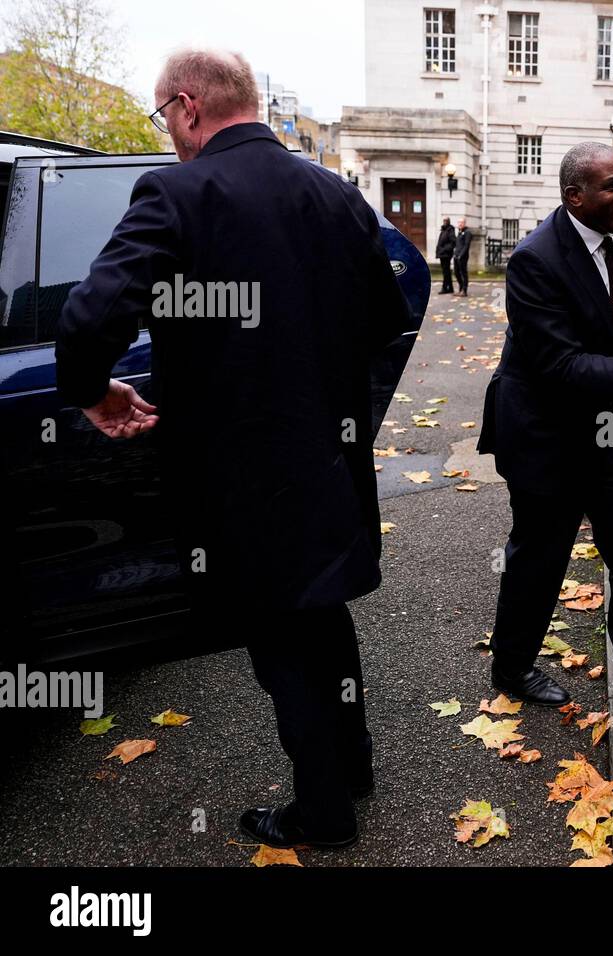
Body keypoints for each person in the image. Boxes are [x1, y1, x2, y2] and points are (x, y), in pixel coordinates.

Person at [55, 49, 411, 848]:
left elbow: (87, 321)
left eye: (161, 115)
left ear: (186, 105)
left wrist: (93, 390)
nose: (167, 132)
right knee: (322, 621)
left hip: (242, 478)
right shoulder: (338, 195)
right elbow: (387, 319)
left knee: (284, 646)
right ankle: (349, 765)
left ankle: (323, 814)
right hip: (328, 460)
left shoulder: (177, 193)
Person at [477, 142, 613, 711]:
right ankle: (512, 667)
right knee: (540, 557)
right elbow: (562, 365)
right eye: (612, 185)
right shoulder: (534, 259)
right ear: (575, 196)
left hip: (612, 431)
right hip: (547, 435)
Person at [436, 216, 456, 294]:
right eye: (444, 220)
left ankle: (444, 288)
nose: (444, 222)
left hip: (446, 255)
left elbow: (453, 243)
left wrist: (444, 249)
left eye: (446, 220)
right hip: (442, 254)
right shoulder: (443, 230)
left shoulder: (450, 230)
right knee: (446, 272)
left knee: (446, 272)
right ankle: (450, 288)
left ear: (448, 221)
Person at [453, 217, 472, 295]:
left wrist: (461, 255)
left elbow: (466, 245)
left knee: (463, 273)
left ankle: (464, 290)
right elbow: (457, 245)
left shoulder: (467, 232)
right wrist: (455, 254)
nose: (460, 224)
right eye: (459, 222)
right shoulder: (459, 232)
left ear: (464, 223)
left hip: (463, 257)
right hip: (456, 256)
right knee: (456, 272)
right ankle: (460, 288)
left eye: (461, 222)